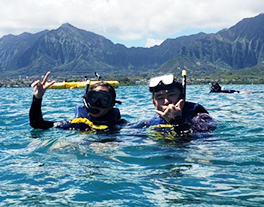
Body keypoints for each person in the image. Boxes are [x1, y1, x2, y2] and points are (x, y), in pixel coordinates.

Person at [29, 71, 126, 131]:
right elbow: (37, 124)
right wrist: (37, 99)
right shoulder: (79, 124)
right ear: (87, 99)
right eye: (93, 98)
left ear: (112, 105)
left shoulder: (119, 126)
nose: (97, 103)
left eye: (104, 100)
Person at [137, 74, 216, 136]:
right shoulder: (149, 123)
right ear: (154, 103)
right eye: (160, 98)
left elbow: (203, 141)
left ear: (182, 97)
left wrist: (177, 122)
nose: (166, 101)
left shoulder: (200, 118)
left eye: (171, 95)